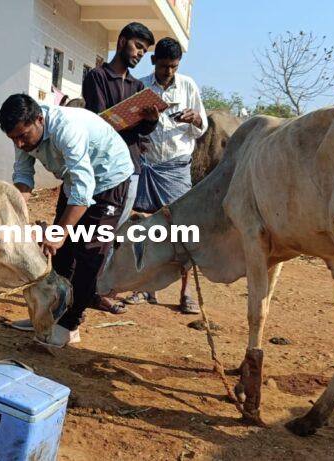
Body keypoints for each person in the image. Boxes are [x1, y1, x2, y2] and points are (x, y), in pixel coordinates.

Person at [0, 93, 133, 347]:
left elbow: (85, 189)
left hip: (109, 179)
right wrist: (15, 215)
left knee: (88, 254)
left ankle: (69, 326)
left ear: (39, 119)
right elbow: (24, 176)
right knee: (61, 257)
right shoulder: (22, 135)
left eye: (23, 136)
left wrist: (59, 232)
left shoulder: (66, 129)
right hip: (74, 180)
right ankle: (49, 316)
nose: (19, 144)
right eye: (13, 139)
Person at [124, 37, 208, 314]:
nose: (168, 72)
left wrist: (194, 118)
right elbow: (129, 127)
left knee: (183, 230)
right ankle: (143, 289)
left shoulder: (189, 86)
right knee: (142, 229)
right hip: (146, 165)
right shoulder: (141, 87)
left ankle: (187, 294)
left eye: (173, 67)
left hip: (176, 166)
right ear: (153, 62)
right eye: (163, 67)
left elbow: (202, 126)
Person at [81, 22, 159, 315]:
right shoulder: (97, 77)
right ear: (122, 41)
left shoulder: (139, 87)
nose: (140, 53)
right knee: (89, 227)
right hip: (101, 167)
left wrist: (150, 118)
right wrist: (133, 120)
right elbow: (100, 122)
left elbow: (143, 133)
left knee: (111, 230)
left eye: (144, 50)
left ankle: (94, 289)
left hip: (131, 167)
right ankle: (74, 287)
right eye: (138, 46)